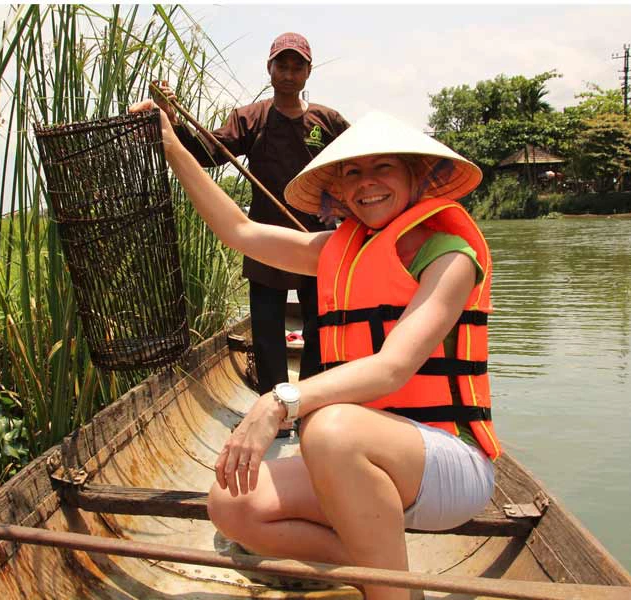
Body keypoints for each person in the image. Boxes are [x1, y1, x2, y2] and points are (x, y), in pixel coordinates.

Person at [128, 101, 501, 600]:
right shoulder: (338, 249)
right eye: (352, 172)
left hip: (446, 464)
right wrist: (171, 146)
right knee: (232, 504)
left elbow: (392, 369)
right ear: (340, 191)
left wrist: (277, 400)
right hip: (359, 457)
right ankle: (383, 569)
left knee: (328, 427)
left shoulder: (450, 255)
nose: (367, 182)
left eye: (382, 167)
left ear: (415, 175)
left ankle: (389, 593)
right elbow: (240, 231)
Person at [152, 32, 350, 396]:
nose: (289, 74)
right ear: (269, 69)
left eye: (297, 67)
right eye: (282, 66)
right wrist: (172, 121)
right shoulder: (250, 119)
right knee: (266, 327)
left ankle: (311, 397)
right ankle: (274, 403)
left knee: (322, 326)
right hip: (264, 241)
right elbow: (206, 153)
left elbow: (356, 166)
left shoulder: (327, 121)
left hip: (318, 238)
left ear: (308, 72)